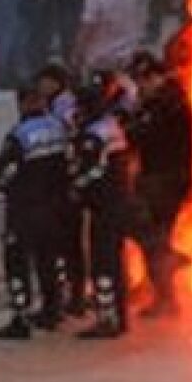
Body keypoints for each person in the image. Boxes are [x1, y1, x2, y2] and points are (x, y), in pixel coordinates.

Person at [0, 87, 73, 340]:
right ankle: (52, 309)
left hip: (24, 209)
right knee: (48, 260)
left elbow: (4, 172)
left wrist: (2, 186)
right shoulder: (59, 128)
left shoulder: (19, 135)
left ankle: (20, 318)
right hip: (56, 207)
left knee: (17, 262)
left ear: (23, 104)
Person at [126, 52, 192, 318]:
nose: (140, 86)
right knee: (150, 235)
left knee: (151, 236)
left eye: (143, 80)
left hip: (166, 180)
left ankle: (166, 298)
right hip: (159, 178)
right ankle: (164, 269)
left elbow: (141, 135)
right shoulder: (160, 101)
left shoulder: (167, 103)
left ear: (156, 76)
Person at [70, 79, 137, 339]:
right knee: (115, 261)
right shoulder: (111, 127)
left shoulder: (93, 135)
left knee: (103, 263)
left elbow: (91, 171)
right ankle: (118, 315)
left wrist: (75, 188)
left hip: (104, 205)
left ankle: (107, 319)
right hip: (119, 201)